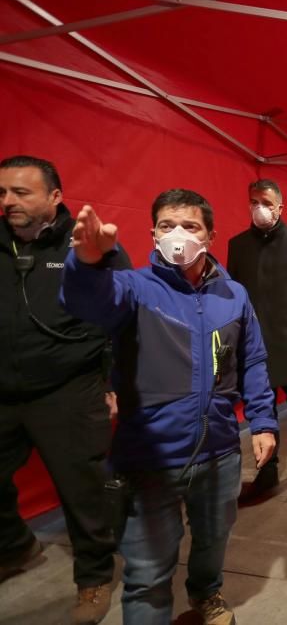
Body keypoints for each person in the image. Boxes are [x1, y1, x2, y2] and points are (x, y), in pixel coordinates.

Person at [61, 189, 278, 625]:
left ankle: (205, 593)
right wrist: (86, 264)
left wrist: (263, 422)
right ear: (153, 233)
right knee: (147, 575)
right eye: (166, 225)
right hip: (151, 459)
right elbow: (87, 301)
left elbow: (252, 360)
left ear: (210, 236)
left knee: (213, 541)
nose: (178, 234)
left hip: (219, 453)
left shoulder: (233, 295)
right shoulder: (134, 287)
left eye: (190, 226)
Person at [0, 156, 130, 624]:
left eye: (21, 192)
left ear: (54, 197)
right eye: (2, 194)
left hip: (69, 389)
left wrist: (113, 380)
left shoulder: (87, 245)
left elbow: (123, 314)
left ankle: (94, 578)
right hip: (4, 390)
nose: (8, 202)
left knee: (84, 495)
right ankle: (16, 546)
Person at [227, 179, 287, 495]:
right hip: (256, 346)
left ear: (280, 207)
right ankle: (268, 469)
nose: (261, 208)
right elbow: (234, 293)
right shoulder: (238, 245)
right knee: (263, 409)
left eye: (267, 203)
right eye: (254, 201)